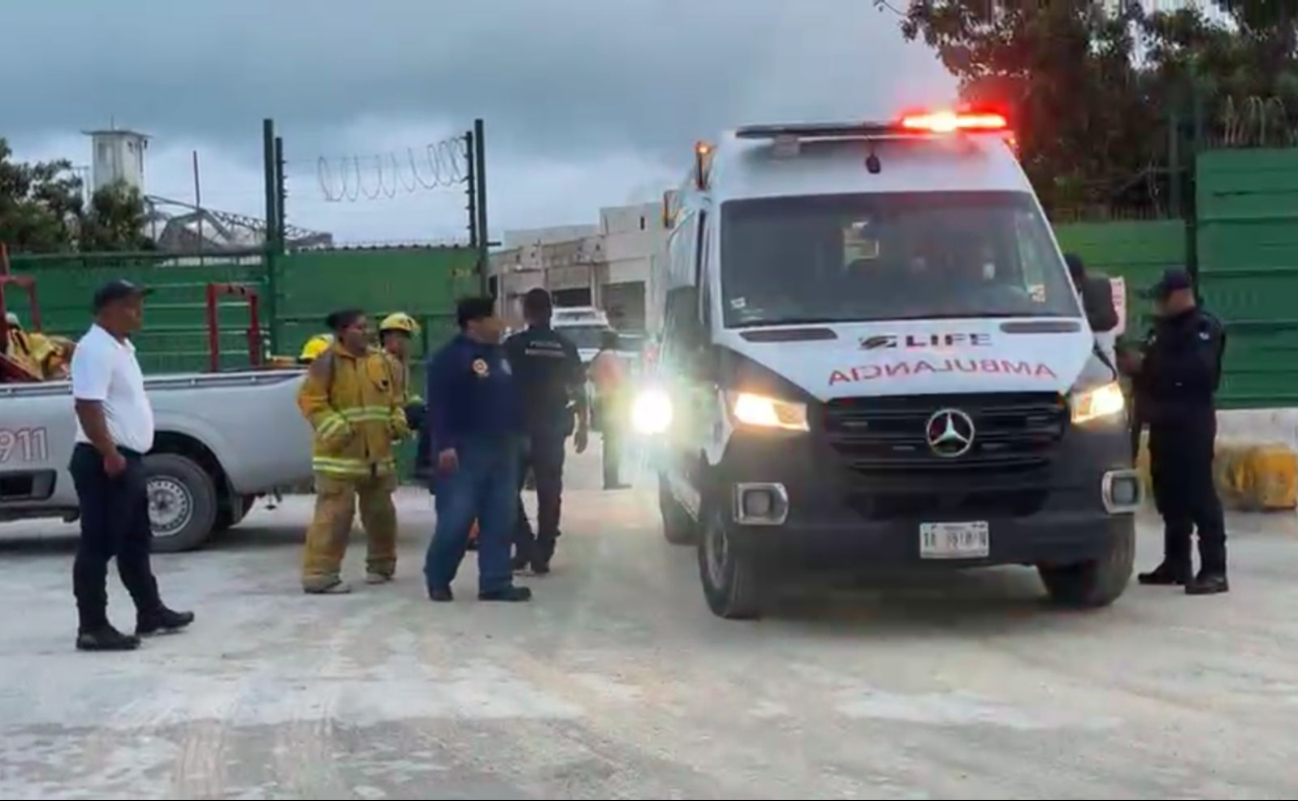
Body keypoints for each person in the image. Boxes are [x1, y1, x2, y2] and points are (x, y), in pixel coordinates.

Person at [69, 280, 194, 651]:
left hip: (126, 457)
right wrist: (109, 452)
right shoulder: (94, 349)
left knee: (135, 540)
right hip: (104, 459)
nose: (138, 312)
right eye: (130, 305)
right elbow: (87, 407)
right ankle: (92, 626)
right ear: (107, 310)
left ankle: (150, 611)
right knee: (99, 543)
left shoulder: (121, 347)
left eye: (139, 304)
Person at [1119, 268, 1229, 596]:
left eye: (1161, 298)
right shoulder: (1162, 331)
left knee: (1199, 494)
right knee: (1169, 494)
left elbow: (1199, 372)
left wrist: (1147, 366)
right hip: (1163, 422)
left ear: (1180, 295)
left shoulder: (1203, 328)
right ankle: (1176, 563)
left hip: (1191, 423)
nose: (1157, 305)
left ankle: (1214, 569)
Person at [423, 297, 531, 602]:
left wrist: (522, 437)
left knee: (501, 516)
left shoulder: (501, 355)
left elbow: (512, 399)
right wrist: (444, 445)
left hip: (503, 446)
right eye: (493, 317)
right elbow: (440, 405)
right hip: (464, 448)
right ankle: (438, 577)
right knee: (457, 519)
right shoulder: (450, 358)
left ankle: (495, 581)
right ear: (474, 323)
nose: (500, 323)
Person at [297, 309, 409, 594]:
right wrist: (337, 429)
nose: (367, 331)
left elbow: (397, 399)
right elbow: (310, 401)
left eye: (366, 325)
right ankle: (319, 575)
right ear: (343, 332)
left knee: (381, 513)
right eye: (359, 327)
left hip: (377, 456)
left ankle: (382, 566)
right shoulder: (326, 363)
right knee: (334, 517)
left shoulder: (382, 362)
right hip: (339, 459)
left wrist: (397, 421)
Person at [504, 288, 589, 574]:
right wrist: (584, 426)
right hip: (552, 429)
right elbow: (579, 391)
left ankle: (525, 545)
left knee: (506, 491)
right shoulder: (566, 347)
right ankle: (543, 551)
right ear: (550, 312)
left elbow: (498, 387)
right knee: (550, 492)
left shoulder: (513, 345)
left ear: (526, 312)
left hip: (518, 429)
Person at [589, 329, 631, 490]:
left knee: (610, 442)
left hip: (602, 401)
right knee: (614, 442)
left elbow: (591, 376)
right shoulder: (612, 357)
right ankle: (612, 479)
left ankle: (610, 478)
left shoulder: (598, 357)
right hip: (613, 402)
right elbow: (621, 379)